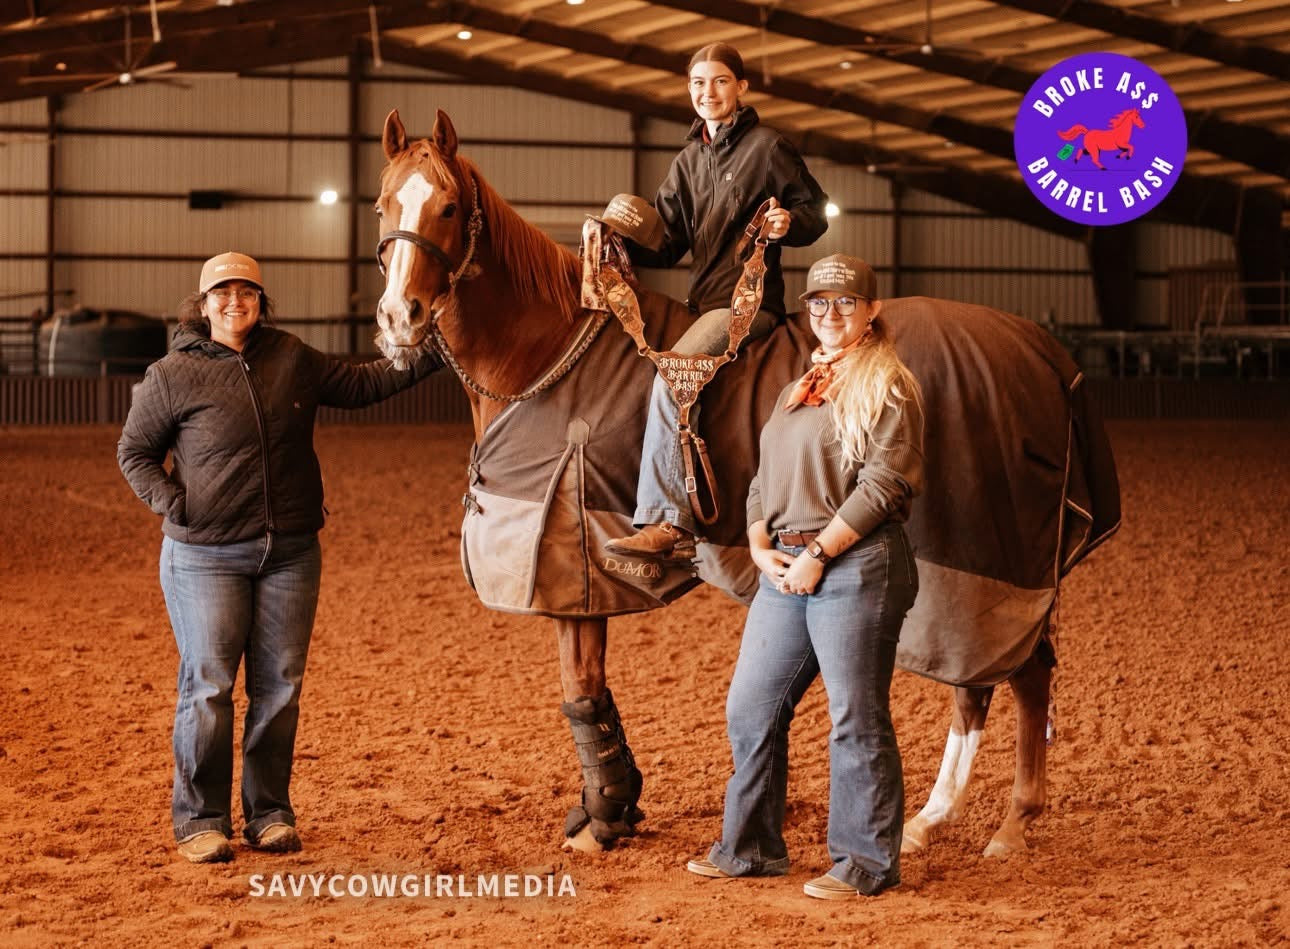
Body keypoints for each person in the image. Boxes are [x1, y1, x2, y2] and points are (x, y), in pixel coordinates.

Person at [117, 252, 441, 864]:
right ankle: (200, 819)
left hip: (290, 551)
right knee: (210, 686)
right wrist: (173, 503)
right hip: (206, 555)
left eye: (246, 292)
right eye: (222, 293)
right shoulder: (172, 373)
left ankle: (268, 813)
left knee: (280, 689)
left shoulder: (292, 356)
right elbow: (134, 452)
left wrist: (436, 349)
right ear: (203, 302)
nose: (234, 301)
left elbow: (367, 382)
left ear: (262, 301)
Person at [685, 254, 924, 900]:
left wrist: (821, 549)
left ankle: (866, 861)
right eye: (819, 303)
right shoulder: (803, 385)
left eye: (846, 303)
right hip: (786, 562)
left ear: (871, 311)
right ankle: (751, 847)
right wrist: (759, 538)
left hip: (857, 564)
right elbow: (766, 475)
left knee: (855, 715)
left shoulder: (888, 385)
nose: (831, 314)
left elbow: (885, 485)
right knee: (752, 705)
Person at [605, 41, 828, 558]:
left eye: (720, 81)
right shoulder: (687, 162)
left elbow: (815, 211)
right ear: (690, 91)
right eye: (698, 83)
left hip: (746, 304)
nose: (709, 92)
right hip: (702, 301)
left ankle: (669, 523)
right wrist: (622, 231)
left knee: (673, 378)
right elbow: (666, 245)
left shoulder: (769, 148)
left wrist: (789, 222)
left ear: (741, 88)